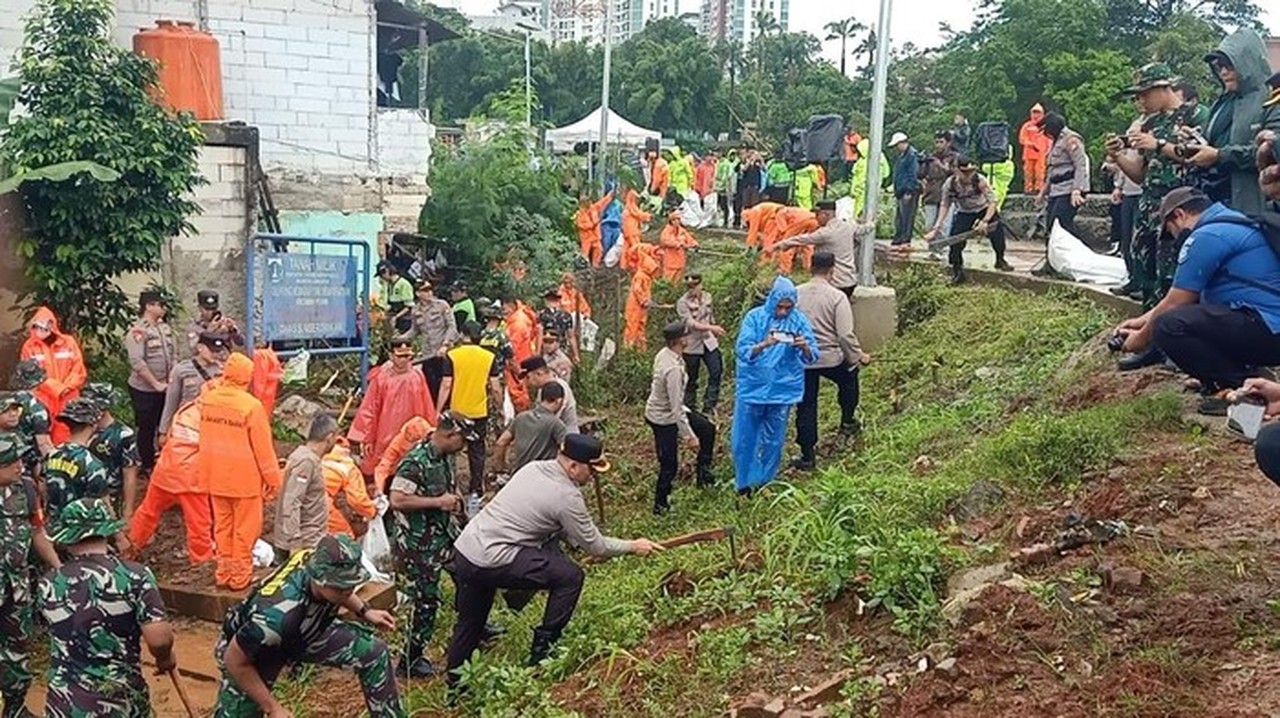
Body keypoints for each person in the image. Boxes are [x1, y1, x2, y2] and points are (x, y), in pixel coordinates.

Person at [444, 434, 663, 683]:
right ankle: (542, 654)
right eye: (591, 470)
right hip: (494, 558)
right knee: (570, 577)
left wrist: (573, 540)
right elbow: (595, 545)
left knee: (470, 623)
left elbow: (546, 520)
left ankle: (455, 688)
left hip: (467, 551)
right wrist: (632, 546)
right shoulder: (567, 496)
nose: (593, 477)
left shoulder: (534, 468)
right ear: (573, 466)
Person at [1115, 188, 1280, 415]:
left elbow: (1176, 303)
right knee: (1184, 317)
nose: (1173, 239)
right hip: (1264, 326)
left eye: (1169, 231)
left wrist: (1140, 339)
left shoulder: (1207, 235)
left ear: (1180, 215)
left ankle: (1242, 388)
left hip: (1268, 328)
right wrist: (1140, 321)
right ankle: (1234, 376)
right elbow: (1183, 296)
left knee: (1169, 325)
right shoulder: (1233, 222)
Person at [214, 535, 403, 718]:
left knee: (373, 652)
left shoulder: (317, 561)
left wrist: (364, 611)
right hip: (255, 652)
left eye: (352, 584)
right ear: (319, 579)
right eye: (341, 586)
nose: (349, 591)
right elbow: (235, 660)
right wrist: (272, 708)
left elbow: (342, 592)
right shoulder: (271, 620)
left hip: (308, 628)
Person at [38, 497, 174, 718]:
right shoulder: (136, 576)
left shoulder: (48, 583)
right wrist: (165, 657)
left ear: (68, 539)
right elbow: (159, 639)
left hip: (64, 703)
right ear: (107, 532)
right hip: (119, 700)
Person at [1107, 63, 1193, 368]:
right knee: (1148, 273)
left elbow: (1202, 156)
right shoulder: (1150, 125)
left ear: (1162, 88)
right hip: (1150, 207)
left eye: (1144, 94)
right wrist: (1119, 156)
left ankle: (1177, 345)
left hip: (1181, 209)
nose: (1140, 101)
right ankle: (1152, 342)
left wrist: (1160, 145)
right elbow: (1141, 175)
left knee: (1175, 278)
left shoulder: (1197, 115)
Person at [388, 412, 477, 678]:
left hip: (445, 534)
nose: (465, 446)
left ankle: (475, 625)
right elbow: (398, 500)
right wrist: (438, 502)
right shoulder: (415, 461)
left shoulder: (446, 455)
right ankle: (410, 659)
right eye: (462, 440)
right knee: (425, 602)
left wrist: (457, 502)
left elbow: (448, 485)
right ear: (450, 435)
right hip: (420, 544)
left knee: (471, 574)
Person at [199, 352, 283, 590]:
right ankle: (239, 578)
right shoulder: (250, 406)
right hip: (244, 481)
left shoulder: (208, 400)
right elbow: (263, 449)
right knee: (245, 530)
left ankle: (223, 574)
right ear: (247, 377)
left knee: (222, 527)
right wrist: (273, 481)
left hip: (214, 477)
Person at [732, 277, 818, 494]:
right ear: (772, 301)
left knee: (774, 440)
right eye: (779, 306)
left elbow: (812, 356)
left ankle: (765, 481)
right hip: (753, 389)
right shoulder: (755, 318)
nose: (782, 312)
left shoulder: (798, 320)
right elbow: (743, 351)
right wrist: (764, 344)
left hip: (782, 392)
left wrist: (804, 346)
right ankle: (744, 483)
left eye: (787, 307)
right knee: (745, 438)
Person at [792, 252, 871, 471]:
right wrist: (858, 356)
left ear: (810, 267)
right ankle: (847, 420)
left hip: (804, 358)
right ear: (832, 270)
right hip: (830, 358)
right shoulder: (837, 297)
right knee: (849, 377)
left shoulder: (796, 293)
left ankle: (807, 456)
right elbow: (845, 334)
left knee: (806, 404)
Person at [0, 431, 58, 718]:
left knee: (18, 649)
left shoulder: (26, 488)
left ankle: (15, 707)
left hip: (16, 586)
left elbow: (37, 531)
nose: (19, 465)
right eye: (11, 462)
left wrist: (59, 569)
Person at [1185, 29, 1271, 215]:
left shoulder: (1271, 99)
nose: (1223, 72)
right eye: (1218, 66)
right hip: (1215, 198)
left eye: (1229, 65)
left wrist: (1219, 155)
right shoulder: (1222, 102)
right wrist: (1196, 142)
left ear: (1247, 62)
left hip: (1257, 203)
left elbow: (1273, 151)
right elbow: (1212, 142)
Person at [127, 397, 214, 565]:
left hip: (165, 472)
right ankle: (202, 562)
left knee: (147, 512)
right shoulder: (215, 417)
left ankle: (130, 548)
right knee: (199, 523)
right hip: (191, 478)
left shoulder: (187, 410)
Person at [646, 321, 718, 514]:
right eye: (687, 336)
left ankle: (704, 474)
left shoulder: (668, 354)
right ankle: (661, 504)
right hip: (663, 417)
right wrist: (689, 436)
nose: (689, 338)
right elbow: (675, 408)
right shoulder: (673, 370)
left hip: (674, 410)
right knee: (669, 463)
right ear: (680, 340)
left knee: (707, 428)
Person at [349, 338, 436, 479]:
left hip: (412, 433)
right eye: (400, 356)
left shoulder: (417, 376)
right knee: (384, 468)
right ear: (391, 356)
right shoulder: (381, 378)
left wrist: (430, 429)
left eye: (407, 356)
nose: (404, 360)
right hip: (385, 433)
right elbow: (370, 409)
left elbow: (427, 405)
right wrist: (368, 437)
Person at [924, 156, 1012, 283]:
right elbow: (945, 205)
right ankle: (957, 271)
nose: (968, 176)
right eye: (964, 172)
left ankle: (1000, 259)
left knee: (997, 233)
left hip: (983, 208)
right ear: (956, 171)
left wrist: (985, 221)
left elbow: (993, 202)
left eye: (970, 172)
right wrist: (936, 228)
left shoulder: (980, 181)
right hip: (964, 211)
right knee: (955, 240)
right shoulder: (950, 184)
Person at [438, 323, 502, 495]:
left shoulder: (452, 355)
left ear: (462, 334)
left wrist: (437, 409)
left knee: (450, 450)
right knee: (477, 450)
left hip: (456, 412)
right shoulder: (489, 356)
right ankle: (476, 488)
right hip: (479, 411)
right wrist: (500, 406)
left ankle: (451, 486)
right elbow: (495, 387)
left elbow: (446, 385)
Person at [124, 290, 176, 475]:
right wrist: (155, 384)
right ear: (149, 306)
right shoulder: (138, 331)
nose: (164, 308)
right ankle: (147, 463)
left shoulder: (165, 328)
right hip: (144, 388)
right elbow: (137, 362)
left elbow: (173, 355)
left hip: (166, 386)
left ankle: (164, 459)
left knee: (165, 423)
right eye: (160, 304)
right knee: (147, 426)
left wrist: (172, 379)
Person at [272, 414, 340, 555]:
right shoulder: (306, 462)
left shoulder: (307, 458)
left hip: (309, 540)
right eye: (335, 438)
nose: (336, 442)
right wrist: (295, 542)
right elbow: (292, 502)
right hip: (305, 543)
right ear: (329, 437)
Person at [20, 306, 86, 445]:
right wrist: (58, 389)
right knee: (42, 438)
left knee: (68, 436)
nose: (40, 330)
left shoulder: (68, 342)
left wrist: (68, 387)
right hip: (43, 399)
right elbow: (33, 375)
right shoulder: (29, 346)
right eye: (36, 327)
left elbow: (78, 368)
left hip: (68, 398)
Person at [773, 200, 865, 297]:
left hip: (835, 283)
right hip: (850, 281)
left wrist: (779, 245)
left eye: (817, 214)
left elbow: (802, 239)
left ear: (826, 214)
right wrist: (872, 223)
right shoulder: (848, 226)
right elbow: (863, 229)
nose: (815, 218)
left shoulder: (826, 232)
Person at [43, 399, 113, 524]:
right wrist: (119, 537)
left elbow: (43, 490)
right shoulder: (93, 465)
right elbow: (103, 505)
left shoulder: (52, 455)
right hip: (80, 532)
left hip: (53, 528)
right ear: (93, 425)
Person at [81, 383, 141, 524]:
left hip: (110, 499)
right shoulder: (82, 429)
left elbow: (130, 476)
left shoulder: (123, 435)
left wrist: (128, 512)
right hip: (82, 498)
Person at [397, 279, 458, 399]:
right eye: (425, 290)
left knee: (445, 383)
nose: (429, 292)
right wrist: (401, 338)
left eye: (430, 289)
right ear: (418, 293)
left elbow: (452, 327)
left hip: (443, 352)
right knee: (429, 384)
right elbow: (414, 330)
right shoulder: (416, 310)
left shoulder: (442, 305)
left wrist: (445, 344)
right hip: (427, 354)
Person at [1107, 116, 1146, 299]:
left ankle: (1142, 282)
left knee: (1138, 241)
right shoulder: (1130, 146)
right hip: (1128, 193)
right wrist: (1118, 186)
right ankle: (1132, 278)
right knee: (1126, 238)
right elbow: (1124, 167)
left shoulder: (1145, 145)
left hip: (1141, 192)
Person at [160, 330, 227, 437]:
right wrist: (163, 431)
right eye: (212, 351)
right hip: (187, 425)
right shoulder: (181, 370)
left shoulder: (223, 370)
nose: (215, 354)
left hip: (213, 423)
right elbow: (171, 402)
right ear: (200, 348)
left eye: (218, 351)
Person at [676, 274, 727, 415]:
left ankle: (709, 405)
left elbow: (710, 315)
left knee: (716, 370)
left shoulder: (707, 297)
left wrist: (713, 329)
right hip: (692, 343)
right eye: (689, 287)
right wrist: (711, 328)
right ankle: (689, 408)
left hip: (708, 341)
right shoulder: (682, 303)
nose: (692, 289)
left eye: (695, 286)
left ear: (700, 285)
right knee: (692, 377)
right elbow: (690, 324)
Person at [1037, 111, 1091, 239]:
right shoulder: (1056, 142)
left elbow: (1080, 165)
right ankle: (1051, 256)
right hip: (1056, 189)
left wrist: (1077, 190)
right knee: (1050, 224)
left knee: (1060, 225)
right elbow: (1053, 170)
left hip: (1069, 187)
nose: (1046, 135)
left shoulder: (1071, 139)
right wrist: (1043, 192)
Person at [493, 383, 567, 476]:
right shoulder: (556, 424)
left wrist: (500, 468)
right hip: (542, 476)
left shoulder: (521, 417)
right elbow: (565, 451)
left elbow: (501, 442)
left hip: (519, 475)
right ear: (558, 401)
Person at [7, 361, 54, 482]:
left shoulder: (5, 401)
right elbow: (43, 444)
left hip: (5, 463)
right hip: (28, 466)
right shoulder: (36, 408)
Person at [321, 437, 377, 538]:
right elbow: (358, 501)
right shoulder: (349, 468)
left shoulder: (319, 459)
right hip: (323, 505)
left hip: (298, 502)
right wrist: (372, 512)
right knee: (346, 540)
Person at [372, 416, 434, 495]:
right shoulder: (398, 442)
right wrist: (379, 488)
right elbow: (383, 467)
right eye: (409, 438)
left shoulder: (435, 440)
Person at [520, 356, 580, 434]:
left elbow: (550, 420)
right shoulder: (542, 389)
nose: (527, 382)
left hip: (566, 435)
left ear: (539, 373)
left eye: (528, 377)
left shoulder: (558, 388)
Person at [502, 297, 542, 412]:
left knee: (518, 394)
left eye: (505, 309)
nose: (504, 312)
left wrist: (516, 369)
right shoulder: (521, 318)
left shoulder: (517, 324)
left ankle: (523, 420)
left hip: (517, 363)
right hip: (522, 360)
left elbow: (511, 351)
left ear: (511, 306)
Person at [624, 244, 661, 351]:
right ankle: (628, 350)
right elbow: (637, 289)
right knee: (632, 328)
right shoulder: (641, 276)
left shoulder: (646, 276)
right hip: (635, 307)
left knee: (640, 327)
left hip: (641, 307)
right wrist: (644, 300)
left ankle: (641, 350)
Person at [921, 131, 957, 234]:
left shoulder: (954, 157)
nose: (938, 145)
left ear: (948, 143)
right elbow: (921, 174)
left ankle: (942, 248)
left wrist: (941, 166)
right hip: (931, 195)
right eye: (936, 142)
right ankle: (932, 247)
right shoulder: (930, 158)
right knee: (929, 225)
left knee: (944, 226)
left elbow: (956, 174)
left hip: (948, 196)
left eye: (941, 142)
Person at [889, 132, 920, 248]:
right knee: (900, 217)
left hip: (908, 191)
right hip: (900, 191)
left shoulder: (911, 156)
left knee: (907, 216)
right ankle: (899, 237)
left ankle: (905, 240)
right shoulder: (902, 156)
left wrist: (909, 191)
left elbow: (912, 174)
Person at [767, 206, 819, 274]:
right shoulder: (794, 210)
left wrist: (778, 241)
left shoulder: (780, 213)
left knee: (787, 244)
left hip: (800, 222)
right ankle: (808, 267)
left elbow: (782, 229)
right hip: (814, 220)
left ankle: (785, 269)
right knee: (808, 244)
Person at [850, 138, 889, 220]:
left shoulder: (863, 162)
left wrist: (854, 190)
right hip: (874, 190)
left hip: (861, 192)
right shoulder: (880, 157)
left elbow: (858, 178)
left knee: (859, 213)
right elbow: (886, 173)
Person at [574, 190, 615, 267]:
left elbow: (602, 203)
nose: (590, 203)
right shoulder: (580, 214)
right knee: (585, 254)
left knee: (599, 250)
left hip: (595, 236)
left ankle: (595, 266)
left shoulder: (594, 208)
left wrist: (609, 196)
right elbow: (581, 225)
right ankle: (583, 267)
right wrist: (592, 225)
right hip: (586, 237)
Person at [1018, 103, 1051, 193]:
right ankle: (1028, 188)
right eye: (1034, 113)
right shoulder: (1027, 126)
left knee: (1040, 172)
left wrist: (1049, 149)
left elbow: (1050, 139)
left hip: (1041, 154)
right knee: (1028, 172)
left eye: (1038, 113)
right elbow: (1022, 139)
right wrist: (1030, 144)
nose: (1036, 115)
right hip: (1029, 153)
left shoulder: (1045, 126)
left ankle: (1039, 188)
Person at [374, 263, 415, 335]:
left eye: (381, 275)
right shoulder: (389, 285)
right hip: (394, 317)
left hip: (405, 320)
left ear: (387, 271)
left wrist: (396, 317)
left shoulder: (404, 284)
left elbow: (409, 306)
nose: (382, 278)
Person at [659, 211, 698, 282]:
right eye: (674, 219)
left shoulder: (682, 231)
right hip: (670, 262)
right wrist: (679, 244)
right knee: (667, 281)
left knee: (677, 282)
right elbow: (666, 241)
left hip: (680, 261)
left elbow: (689, 239)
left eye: (678, 219)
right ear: (671, 221)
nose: (677, 221)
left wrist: (695, 244)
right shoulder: (666, 231)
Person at [538, 289, 576, 359]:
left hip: (547, 349)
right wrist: (575, 355)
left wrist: (538, 353)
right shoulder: (566, 315)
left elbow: (539, 335)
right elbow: (571, 337)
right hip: (562, 349)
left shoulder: (542, 314)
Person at [621, 189, 653, 270]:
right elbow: (638, 214)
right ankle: (638, 264)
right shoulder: (631, 206)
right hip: (632, 231)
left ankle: (624, 265)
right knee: (636, 247)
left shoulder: (628, 207)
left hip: (627, 231)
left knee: (626, 248)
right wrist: (648, 215)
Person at [714, 150, 739, 227]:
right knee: (717, 205)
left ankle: (725, 221)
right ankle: (719, 220)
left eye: (717, 152)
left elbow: (725, 176)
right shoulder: (717, 162)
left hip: (724, 188)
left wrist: (721, 186)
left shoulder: (726, 164)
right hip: (717, 187)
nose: (716, 154)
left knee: (724, 204)